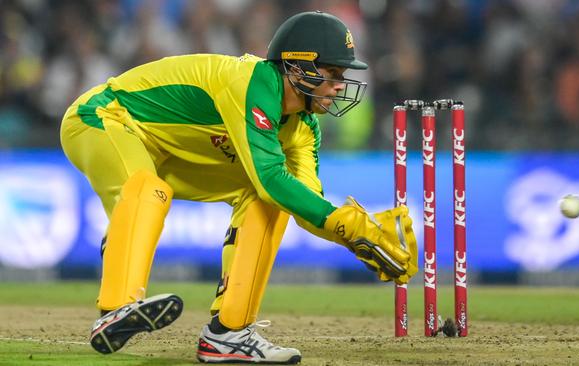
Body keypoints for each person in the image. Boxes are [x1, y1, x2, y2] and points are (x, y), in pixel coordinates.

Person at [60, 11, 417, 364]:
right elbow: (270, 179)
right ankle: (116, 307)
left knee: (271, 199)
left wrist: (358, 233)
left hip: (170, 152)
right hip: (104, 117)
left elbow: (305, 205)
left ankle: (229, 334)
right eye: (333, 73)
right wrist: (354, 227)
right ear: (298, 67)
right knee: (149, 188)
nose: (341, 85)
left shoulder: (304, 128)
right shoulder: (254, 83)